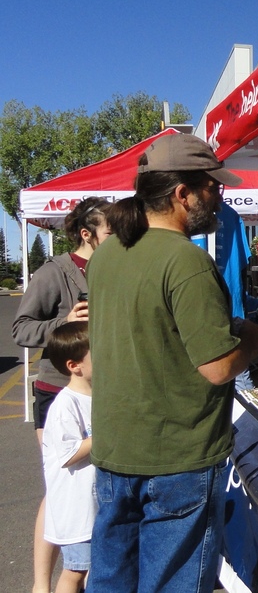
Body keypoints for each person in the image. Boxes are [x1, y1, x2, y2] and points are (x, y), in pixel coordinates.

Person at [85, 133, 258, 593]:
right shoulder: (186, 261)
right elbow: (219, 367)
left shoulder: (107, 253)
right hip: (176, 460)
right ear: (182, 194)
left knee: (111, 581)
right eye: (212, 187)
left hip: (116, 449)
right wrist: (254, 336)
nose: (219, 196)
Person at [12, 196, 111, 593]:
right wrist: (64, 322)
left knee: (90, 487)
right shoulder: (56, 271)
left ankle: (85, 568)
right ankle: (43, 583)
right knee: (60, 485)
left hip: (103, 387)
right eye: (110, 230)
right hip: (58, 389)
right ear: (87, 234)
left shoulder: (115, 267)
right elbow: (20, 329)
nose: (119, 236)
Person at [41, 322, 95, 593]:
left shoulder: (99, 395)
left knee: (91, 570)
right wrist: (108, 436)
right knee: (75, 570)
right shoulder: (66, 403)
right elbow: (67, 454)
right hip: (76, 510)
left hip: (94, 506)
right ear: (75, 365)